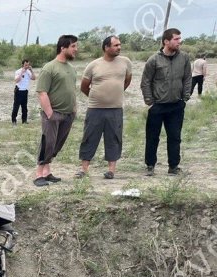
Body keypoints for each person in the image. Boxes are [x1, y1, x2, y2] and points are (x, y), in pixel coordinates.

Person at [76, 36, 132, 179]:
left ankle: (111, 170)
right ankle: (84, 169)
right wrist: (98, 97)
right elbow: (84, 86)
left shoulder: (126, 62)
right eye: (115, 45)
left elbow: (127, 81)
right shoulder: (94, 65)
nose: (119, 47)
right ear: (106, 47)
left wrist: (115, 93)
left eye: (119, 45)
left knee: (114, 138)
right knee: (89, 137)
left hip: (115, 109)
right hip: (95, 109)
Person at [140, 28, 191, 176]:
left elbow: (187, 78)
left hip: (176, 105)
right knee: (152, 137)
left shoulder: (184, 58)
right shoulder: (154, 60)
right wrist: (150, 101)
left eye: (180, 39)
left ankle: (173, 166)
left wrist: (185, 97)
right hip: (158, 106)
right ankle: (150, 165)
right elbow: (145, 82)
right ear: (166, 41)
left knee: (175, 137)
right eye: (176, 39)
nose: (179, 42)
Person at [34, 35, 79, 187]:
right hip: (53, 114)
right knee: (48, 143)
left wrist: (74, 109)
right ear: (63, 48)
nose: (76, 50)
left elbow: (71, 90)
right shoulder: (49, 68)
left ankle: (47, 172)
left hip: (68, 114)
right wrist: (50, 114)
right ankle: (39, 174)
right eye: (73, 46)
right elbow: (42, 92)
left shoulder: (71, 69)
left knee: (57, 144)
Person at [12, 59, 35, 124]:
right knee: (16, 106)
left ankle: (24, 121)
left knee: (24, 107)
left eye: (28, 65)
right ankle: (14, 121)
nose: (27, 66)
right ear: (22, 65)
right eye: (26, 65)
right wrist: (22, 72)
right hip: (18, 90)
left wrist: (31, 70)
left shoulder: (28, 71)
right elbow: (16, 80)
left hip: (25, 91)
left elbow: (34, 78)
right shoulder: (18, 71)